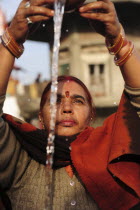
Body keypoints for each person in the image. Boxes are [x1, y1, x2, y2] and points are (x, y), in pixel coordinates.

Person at [0, 0, 140, 209]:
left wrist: (118, 40)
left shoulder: (113, 155)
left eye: (78, 100)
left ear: (91, 114)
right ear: (40, 115)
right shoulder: (20, 160)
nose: (66, 108)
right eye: (55, 100)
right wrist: (10, 42)